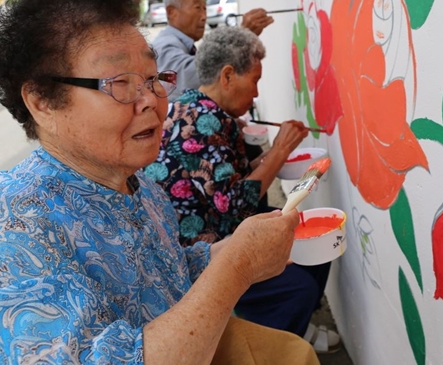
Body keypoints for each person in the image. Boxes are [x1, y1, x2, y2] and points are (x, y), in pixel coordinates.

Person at [0, 0, 319, 365]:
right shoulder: (9, 225)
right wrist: (238, 267)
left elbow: (169, 274)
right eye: (120, 83)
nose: (151, 100)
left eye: (155, 79)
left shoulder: (142, 185)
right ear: (42, 103)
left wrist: (238, 250)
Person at [145, 27, 340, 353]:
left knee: (311, 238)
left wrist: (276, 153)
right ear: (227, 76)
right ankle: (270, 347)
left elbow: (230, 181)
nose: (256, 93)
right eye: (254, 81)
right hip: (198, 253)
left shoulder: (205, 109)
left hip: (221, 226)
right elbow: (236, 204)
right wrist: (278, 152)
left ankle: (293, 327)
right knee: (298, 287)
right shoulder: (199, 120)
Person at [152, 0, 274, 101]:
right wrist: (242, 36)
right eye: (197, 8)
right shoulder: (163, 46)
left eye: (205, 8)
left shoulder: (183, 45)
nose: (204, 16)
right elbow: (194, 77)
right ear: (172, 12)